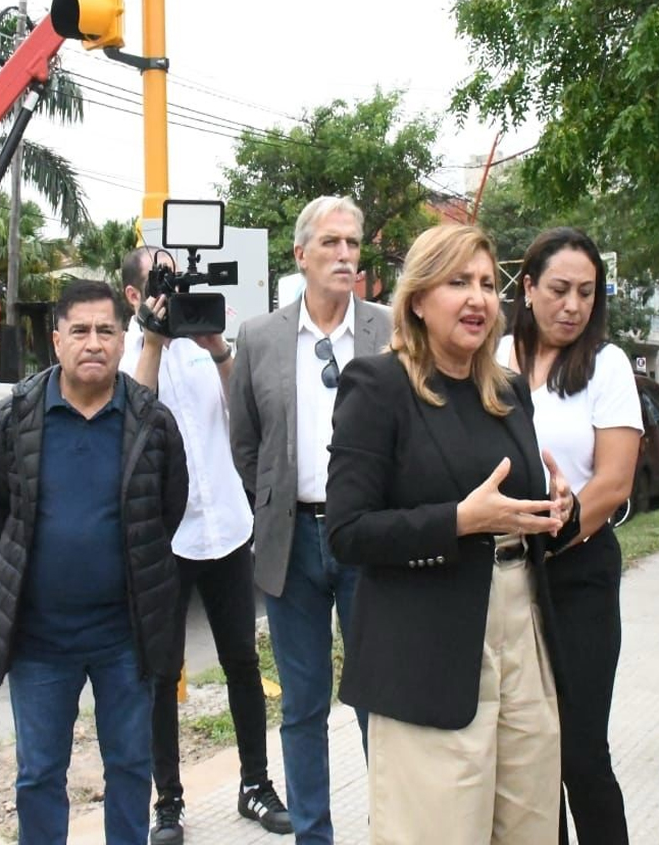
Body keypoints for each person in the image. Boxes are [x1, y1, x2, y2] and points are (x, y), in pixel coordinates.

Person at [327, 223, 578, 844]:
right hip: (427, 650)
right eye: (458, 282)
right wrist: (459, 522)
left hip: (522, 633)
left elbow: (516, 509)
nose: (478, 299)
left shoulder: (508, 391)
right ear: (417, 299)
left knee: (530, 826)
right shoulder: (377, 386)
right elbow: (348, 531)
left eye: (488, 284)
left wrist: (556, 510)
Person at [0, 278, 188, 845]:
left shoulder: (152, 422)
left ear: (122, 339)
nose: (94, 343)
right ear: (57, 340)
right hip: (40, 640)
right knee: (39, 774)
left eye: (106, 331)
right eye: (81, 331)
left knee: (130, 768)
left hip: (126, 637)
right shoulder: (13, 417)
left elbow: (166, 512)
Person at [229, 195, 392, 845]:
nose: (345, 255)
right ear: (300, 255)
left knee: (378, 699)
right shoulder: (260, 337)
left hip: (369, 539)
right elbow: (245, 442)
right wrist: (273, 503)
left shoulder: (389, 330)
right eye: (330, 243)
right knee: (301, 704)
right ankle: (312, 836)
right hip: (291, 541)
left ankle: (395, 830)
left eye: (352, 243)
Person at [119, 247, 290, 843]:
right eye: (160, 284)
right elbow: (134, 423)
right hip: (168, 540)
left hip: (228, 527)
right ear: (135, 297)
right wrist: (154, 341)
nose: (174, 295)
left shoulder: (203, 346)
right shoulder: (128, 356)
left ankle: (255, 784)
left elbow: (245, 412)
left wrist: (217, 347)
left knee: (242, 661)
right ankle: (167, 801)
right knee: (161, 674)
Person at [499, 228, 642, 845]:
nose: (573, 306)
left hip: (578, 571)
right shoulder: (492, 358)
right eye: (559, 290)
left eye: (587, 292)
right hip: (503, 575)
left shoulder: (606, 365)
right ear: (528, 287)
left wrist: (561, 524)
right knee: (528, 760)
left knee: (580, 752)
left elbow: (614, 482)